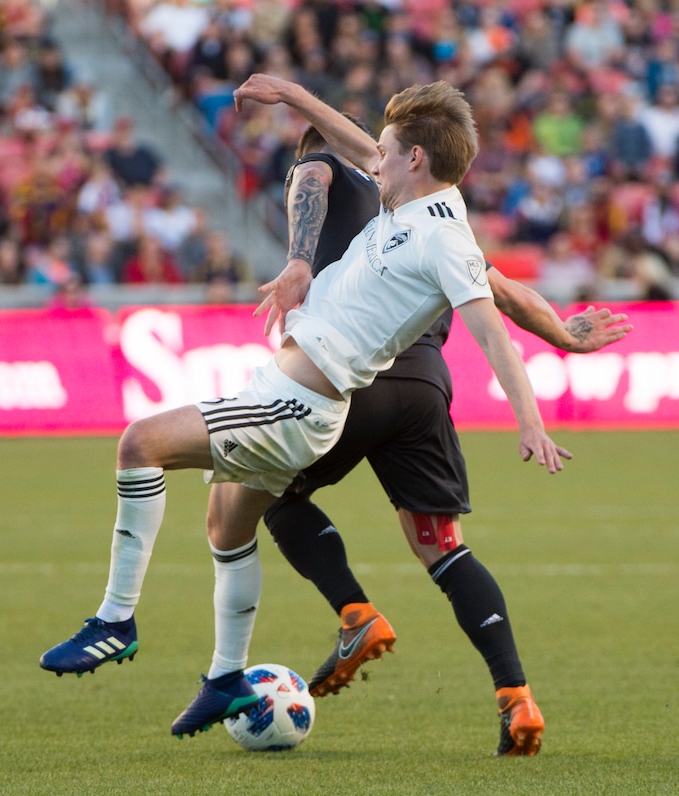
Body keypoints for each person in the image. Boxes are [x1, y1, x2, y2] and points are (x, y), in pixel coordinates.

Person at [40, 75, 573, 751]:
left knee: (139, 444)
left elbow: (492, 331)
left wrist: (531, 421)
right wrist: (292, 94)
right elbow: (359, 146)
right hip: (289, 389)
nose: (372, 159)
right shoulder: (414, 198)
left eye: (385, 150)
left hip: (295, 405)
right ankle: (226, 676)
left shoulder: (446, 240)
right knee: (227, 524)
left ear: (414, 159)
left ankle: (116, 620)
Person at [229, 107, 632, 756]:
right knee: (445, 550)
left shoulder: (332, 177)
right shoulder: (430, 216)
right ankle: (516, 696)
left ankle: (355, 613)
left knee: (268, 492)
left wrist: (299, 247)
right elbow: (504, 295)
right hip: (423, 388)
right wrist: (565, 337)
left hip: (350, 375)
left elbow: (320, 171)